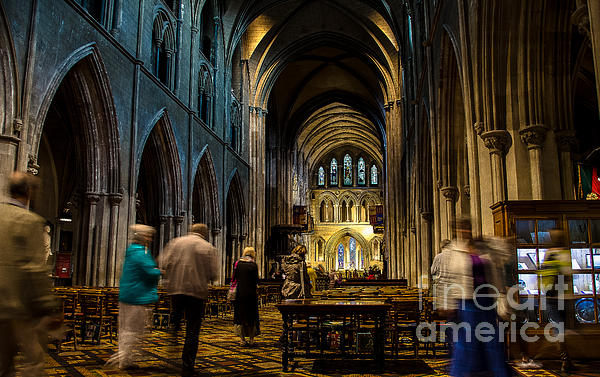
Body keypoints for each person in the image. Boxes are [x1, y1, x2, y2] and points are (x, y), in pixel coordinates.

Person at [0, 172, 59, 377]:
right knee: (34, 360)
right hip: (20, 307)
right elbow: (35, 269)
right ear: (29, 192)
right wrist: (48, 307)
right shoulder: (30, 221)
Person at [437, 217, 509, 377]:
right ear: (456, 231)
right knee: (467, 342)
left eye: (467, 228)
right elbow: (446, 279)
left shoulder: (483, 247)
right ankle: (460, 373)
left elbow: (505, 254)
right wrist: (445, 302)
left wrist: (490, 240)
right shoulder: (453, 251)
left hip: (487, 300)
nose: (465, 231)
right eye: (461, 229)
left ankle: (499, 372)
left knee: (492, 341)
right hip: (467, 301)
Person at [160, 223, 218, 377]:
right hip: (196, 293)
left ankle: (174, 326)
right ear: (204, 234)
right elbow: (214, 274)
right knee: (193, 329)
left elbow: (164, 263)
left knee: (177, 313)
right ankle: (188, 362)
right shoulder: (207, 247)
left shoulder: (176, 242)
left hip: (176, 290)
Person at [108, 224, 160, 370]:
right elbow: (150, 272)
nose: (150, 239)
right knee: (133, 330)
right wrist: (159, 271)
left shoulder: (131, 251)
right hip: (136, 297)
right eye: (148, 236)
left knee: (126, 329)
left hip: (127, 295)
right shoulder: (140, 253)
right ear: (143, 238)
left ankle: (124, 358)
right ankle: (122, 359)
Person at [539, 228, 573, 372]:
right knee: (561, 328)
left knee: (559, 328)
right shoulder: (564, 253)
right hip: (562, 295)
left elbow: (543, 272)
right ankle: (565, 359)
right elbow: (567, 273)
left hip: (551, 295)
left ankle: (564, 358)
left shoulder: (549, 253)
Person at [232, 247, 260, 346]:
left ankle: (242, 340)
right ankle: (252, 339)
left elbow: (234, 278)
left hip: (240, 294)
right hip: (251, 294)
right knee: (251, 316)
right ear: (253, 254)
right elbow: (257, 280)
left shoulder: (237, 264)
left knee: (240, 316)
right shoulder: (253, 265)